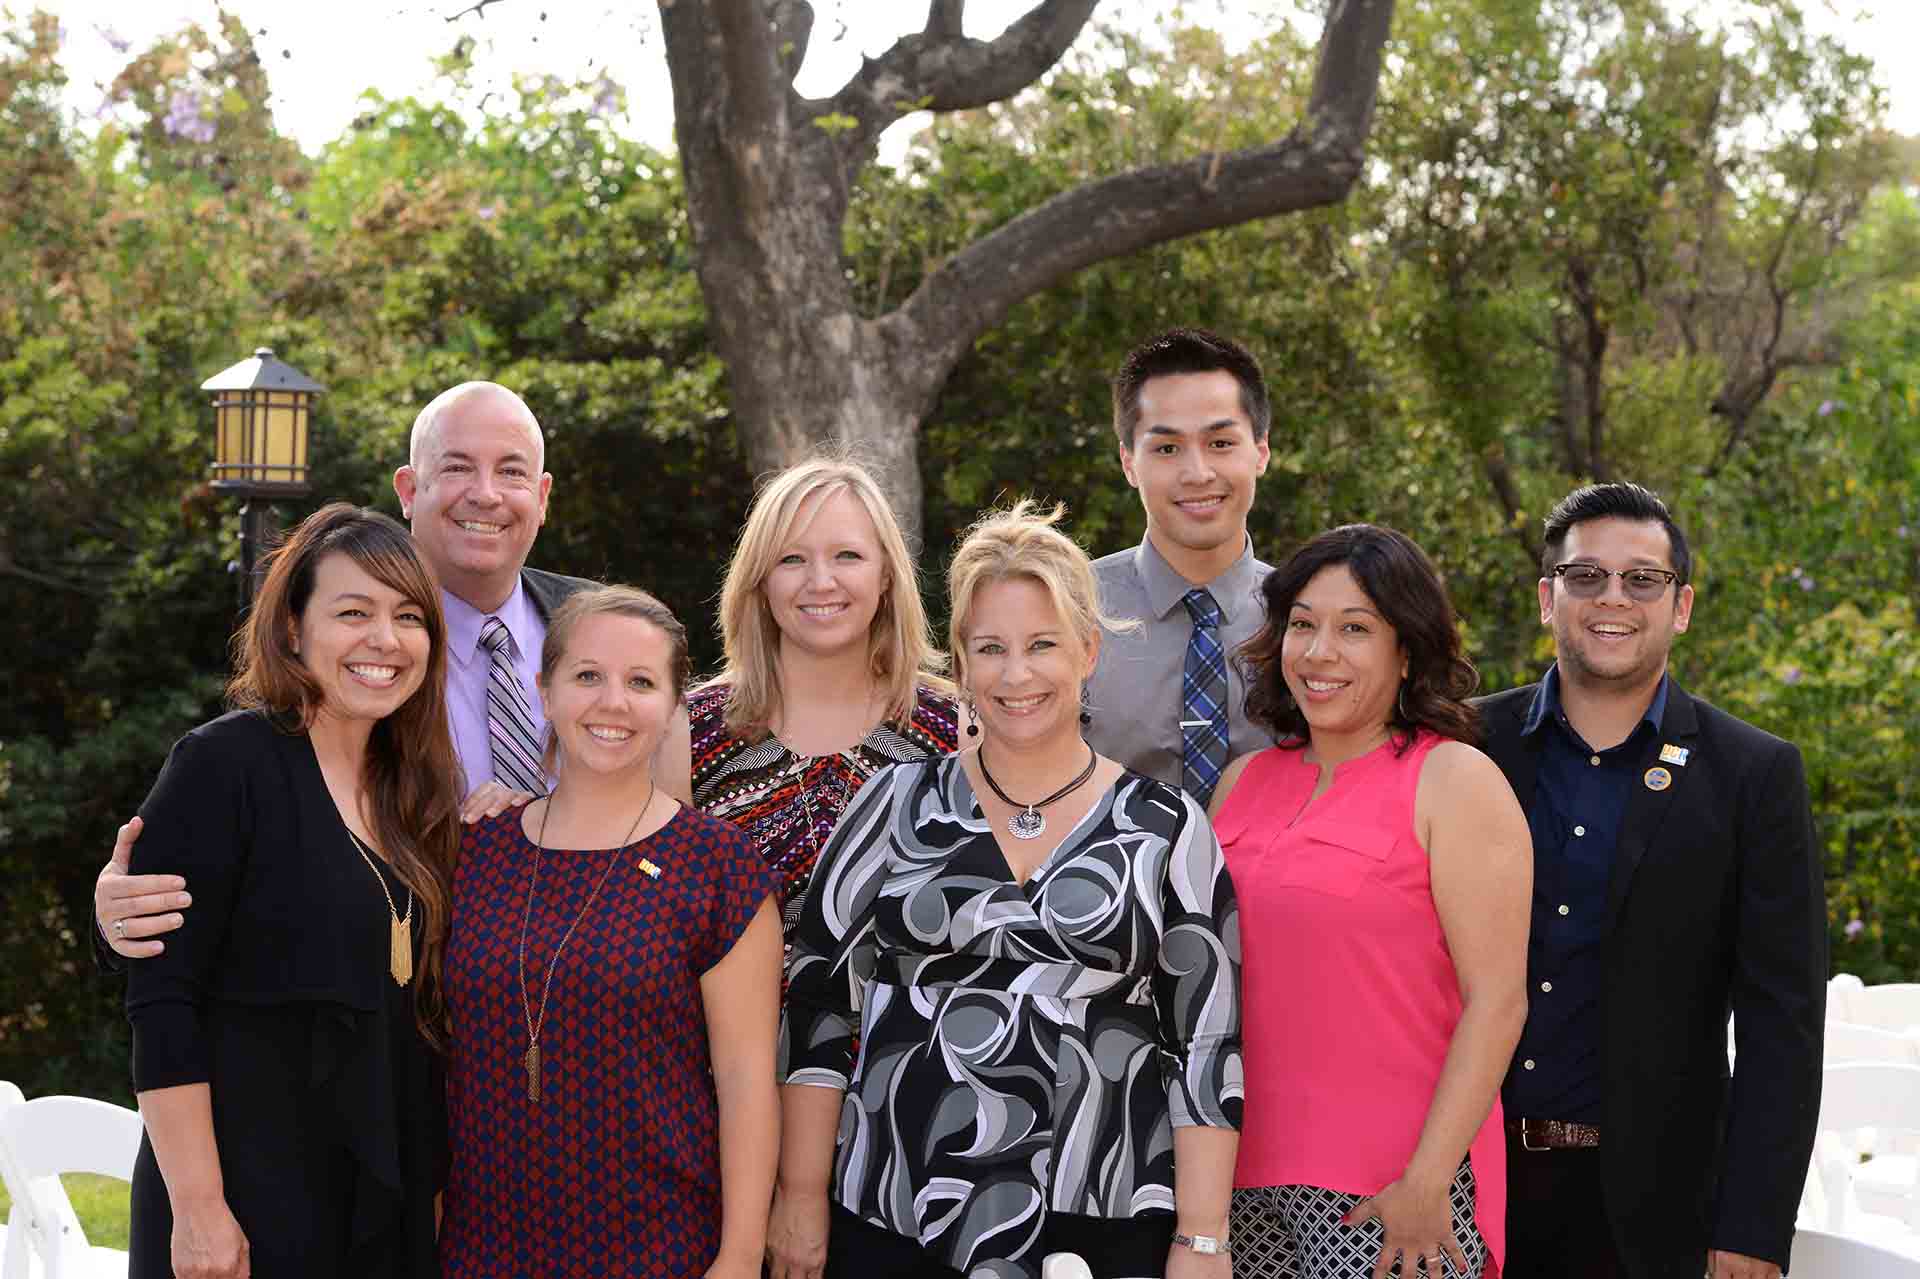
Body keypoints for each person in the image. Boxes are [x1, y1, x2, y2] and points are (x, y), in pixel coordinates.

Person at [768, 500, 1243, 1279]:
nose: (1016, 674)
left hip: (1099, 1212)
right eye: (990, 648)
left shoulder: (1167, 826)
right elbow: (818, 1008)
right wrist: (798, 1193)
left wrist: (1203, 1237)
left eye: (1042, 645)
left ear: (1088, 650)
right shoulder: (892, 804)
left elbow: (1206, 1046)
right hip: (896, 1205)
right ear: (960, 663)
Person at [96, 380, 592, 959]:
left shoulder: (604, 630)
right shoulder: (355, 665)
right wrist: (118, 924)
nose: (485, 494)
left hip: (595, 987)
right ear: (409, 490)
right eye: (457, 468)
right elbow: (232, 853)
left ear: (542, 495)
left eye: (511, 472)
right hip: (406, 996)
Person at [1482, 483, 1823, 1279]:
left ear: (1681, 606)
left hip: (1656, 1215)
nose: (1613, 598)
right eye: (1586, 575)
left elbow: (1782, 1024)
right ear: (1547, 597)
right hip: (1466, 1193)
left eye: (1642, 579)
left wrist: (1753, 1227)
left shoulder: (1754, 775)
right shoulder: (1466, 746)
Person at [123, 504, 456, 1279]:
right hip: (242, 1202)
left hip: (377, 1203)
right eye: (353, 612)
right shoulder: (223, 765)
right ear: (294, 628)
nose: (385, 639)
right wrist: (198, 1208)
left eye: (408, 616)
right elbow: (162, 1002)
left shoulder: (417, 791)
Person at [1207, 524, 1531, 1279]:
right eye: (1303, 625)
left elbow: (1498, 1002)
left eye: (1355, 629)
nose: (1319, 653)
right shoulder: (1242, 783)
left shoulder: (1455, 781)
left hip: (1388, 1194)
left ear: (1407, 650)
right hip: (1235, 1181)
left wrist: (1428, 1179)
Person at [439, 585, 782, 1276]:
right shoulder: (474, 850)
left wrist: (741, 1256)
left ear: (674, 707)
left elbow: (747, 1080)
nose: (613, 702)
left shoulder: (717, 866)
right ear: (544, 692)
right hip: (484, 1245)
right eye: (588, 675)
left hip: (657, 1245)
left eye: (642, 682)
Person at [659, 457, 958, 927]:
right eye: (792, 559)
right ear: (761, 581)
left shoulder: (957, 729)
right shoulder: (686, 734)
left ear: (885, 574)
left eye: (847, 556)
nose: (821, 582)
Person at [1086, 328, 1277, 804]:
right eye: (1167, 448)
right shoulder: (1067, 611)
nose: (1197, 473)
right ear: (1129, 463)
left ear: (1260, 452)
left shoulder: (1307, 618)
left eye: (1221, 443)